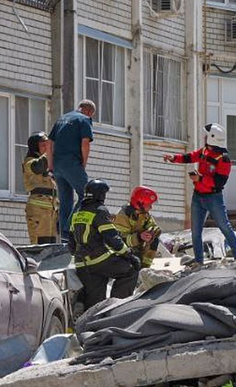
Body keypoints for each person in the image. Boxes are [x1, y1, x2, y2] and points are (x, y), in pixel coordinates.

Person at [163, 123, 236, 264]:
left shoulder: (223, 159)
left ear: (212, 137)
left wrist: (200, 179)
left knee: (224, 227)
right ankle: (199, 261)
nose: (204, 138)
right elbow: (190, 157)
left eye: (207, 135)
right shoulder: (205, 151)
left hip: (214, 198)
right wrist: (173, 158)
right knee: (195, 231)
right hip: (198, 196)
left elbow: (219, 183)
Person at [69, 179, 140, 308]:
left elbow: (71, 245)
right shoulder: (100, 211)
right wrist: (128, 254)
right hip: (99, 260)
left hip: (82, 264)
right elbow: (112, 238)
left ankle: (91, 316)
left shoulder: (77, 212)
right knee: (131, 270)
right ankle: (117, 307)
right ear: (100, 195)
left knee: (96, 303)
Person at [49, 99, 95, 240]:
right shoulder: (84, 120)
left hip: (57, 165)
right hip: (72, 163)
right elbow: (85, 143)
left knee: (65, 200)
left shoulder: (61, 119)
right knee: (88, 194)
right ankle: (69, 227)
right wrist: (83, 164)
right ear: (89, 111)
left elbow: (49, 142)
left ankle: (65, 237)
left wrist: (50, 165)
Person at [22, 131, 58, 244]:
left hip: (51, 211)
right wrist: (50, 150)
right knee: (40, 244)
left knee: (51, 245)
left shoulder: (48, 163)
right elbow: (38, 167)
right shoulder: (29, 162)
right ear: (35, 146)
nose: (47, 147)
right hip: (38, 212)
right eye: (43, 144)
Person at [113, 186, 162, 269]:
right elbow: (120, 241)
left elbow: (153, 226)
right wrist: (139, 237)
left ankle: (145, 268)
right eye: (149, 205)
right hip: (123, 252)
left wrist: (152, 233)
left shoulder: (144, 214)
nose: (151, 207)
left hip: (137, 248)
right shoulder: (123, 216)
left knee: (155, 240)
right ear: (140, 204)